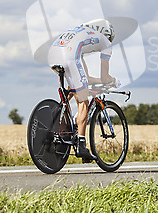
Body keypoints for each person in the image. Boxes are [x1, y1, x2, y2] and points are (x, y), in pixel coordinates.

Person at [48, 18, 120, 161]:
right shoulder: (105, 42)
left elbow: (84, 77)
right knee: (83, 102)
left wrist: (93, 82)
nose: (109, 41)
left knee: (74, 87)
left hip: (54, 54)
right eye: (110, 38)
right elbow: (105, 78)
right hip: (69, 55)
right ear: (106, 33)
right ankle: (81, 143)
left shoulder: (83, 33)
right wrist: (113, 81)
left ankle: (59, 119)